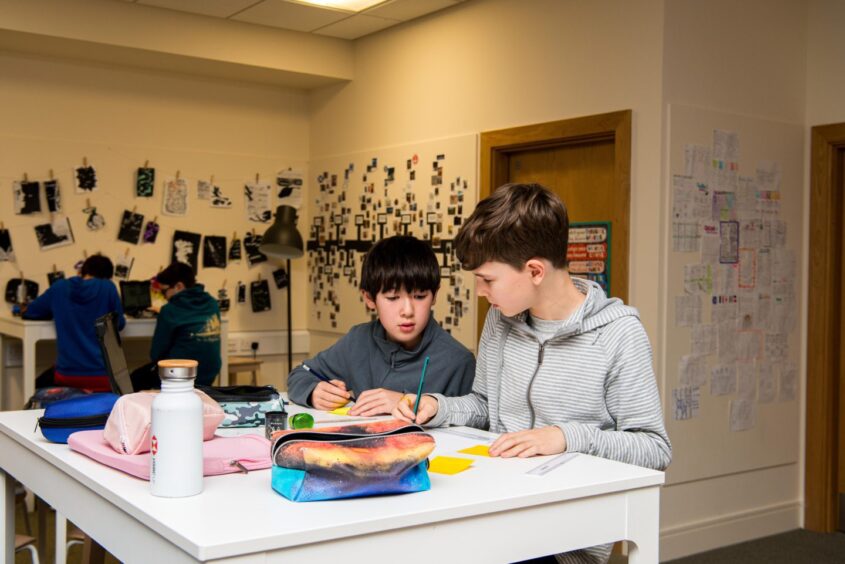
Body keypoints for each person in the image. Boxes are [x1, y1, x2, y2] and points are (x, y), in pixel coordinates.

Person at [394, 183, 671, 564]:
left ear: (535, 270)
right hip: (490, 507)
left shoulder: (619, 334)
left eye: (487, 279)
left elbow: (653, 448)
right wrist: (436, 407)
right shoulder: (501, 319)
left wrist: (563, 436)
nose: (479, 291)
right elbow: (484, 405)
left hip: (561, 541)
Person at [287, 235, 475, 416]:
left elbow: (473, 421)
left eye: (419, 296)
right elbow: (300, 375)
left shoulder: (458, 361)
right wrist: (314, 392)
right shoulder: (358, 340)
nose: (407, 311)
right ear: (369, 298)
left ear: (434, 296)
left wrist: (407, 403)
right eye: (393, 298)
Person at [23, 255, 126, 392]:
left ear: (83, 270)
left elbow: (31, 311)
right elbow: (120, 324)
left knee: (38, 384)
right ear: (108, 275)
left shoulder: (59, 287)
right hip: (101, 374)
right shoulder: (108, 287)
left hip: (67, 374)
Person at [131, 262, 221, 389]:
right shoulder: (212, 304)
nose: (165, 297)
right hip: (209, 374)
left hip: (180, 376)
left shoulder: (170, 310)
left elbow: (156, 354)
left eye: (164, 292)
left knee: (134, 379)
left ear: (179, 286)